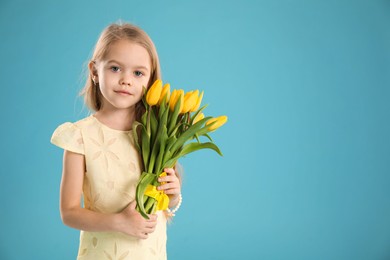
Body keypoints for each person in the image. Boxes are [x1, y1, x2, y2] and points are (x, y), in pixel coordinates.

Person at [51, 22, 182, 260]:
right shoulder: (80, 137)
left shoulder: (157, 135)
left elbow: (164, 203)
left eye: (138, 73)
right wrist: (119, 222)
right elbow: (68, 212)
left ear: (151, 79)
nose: (126, 80)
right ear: (94, 71)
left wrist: (173, 194)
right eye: (115, 68)